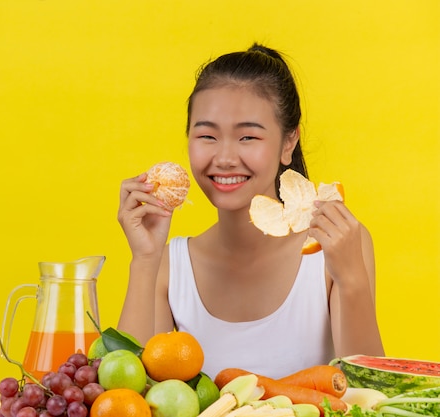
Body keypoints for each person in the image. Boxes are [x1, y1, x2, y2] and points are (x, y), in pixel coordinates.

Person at [116, 43, 384, 379]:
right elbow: (124, 397)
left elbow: (373, 396)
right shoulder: (169, 267)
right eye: (207, 135)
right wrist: (143, 260)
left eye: (247, 138)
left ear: (289, 143)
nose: (225, 157)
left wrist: (352, 279)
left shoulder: (333, 247)